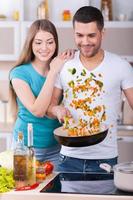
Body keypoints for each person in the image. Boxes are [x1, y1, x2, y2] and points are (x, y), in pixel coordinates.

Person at [47, 6, 133, 172]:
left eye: (91, 35)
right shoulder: (64, 65)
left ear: (102, 33)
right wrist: (57, 110)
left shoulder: (121, 66)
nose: (85, 42)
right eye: (79, 35)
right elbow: (49, 107)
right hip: (68, 158)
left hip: (104, 159)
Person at [9, 19, 74, 170]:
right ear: (30, 44)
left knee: (53, 192)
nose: (44, 48)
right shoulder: (19, 73)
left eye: (50, 42)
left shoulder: (62, 69)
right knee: (25, 191)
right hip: (26, 149)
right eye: (38, 42)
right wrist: (53, 71)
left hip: (56, 148)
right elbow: (37, 111)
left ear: (55, 43)